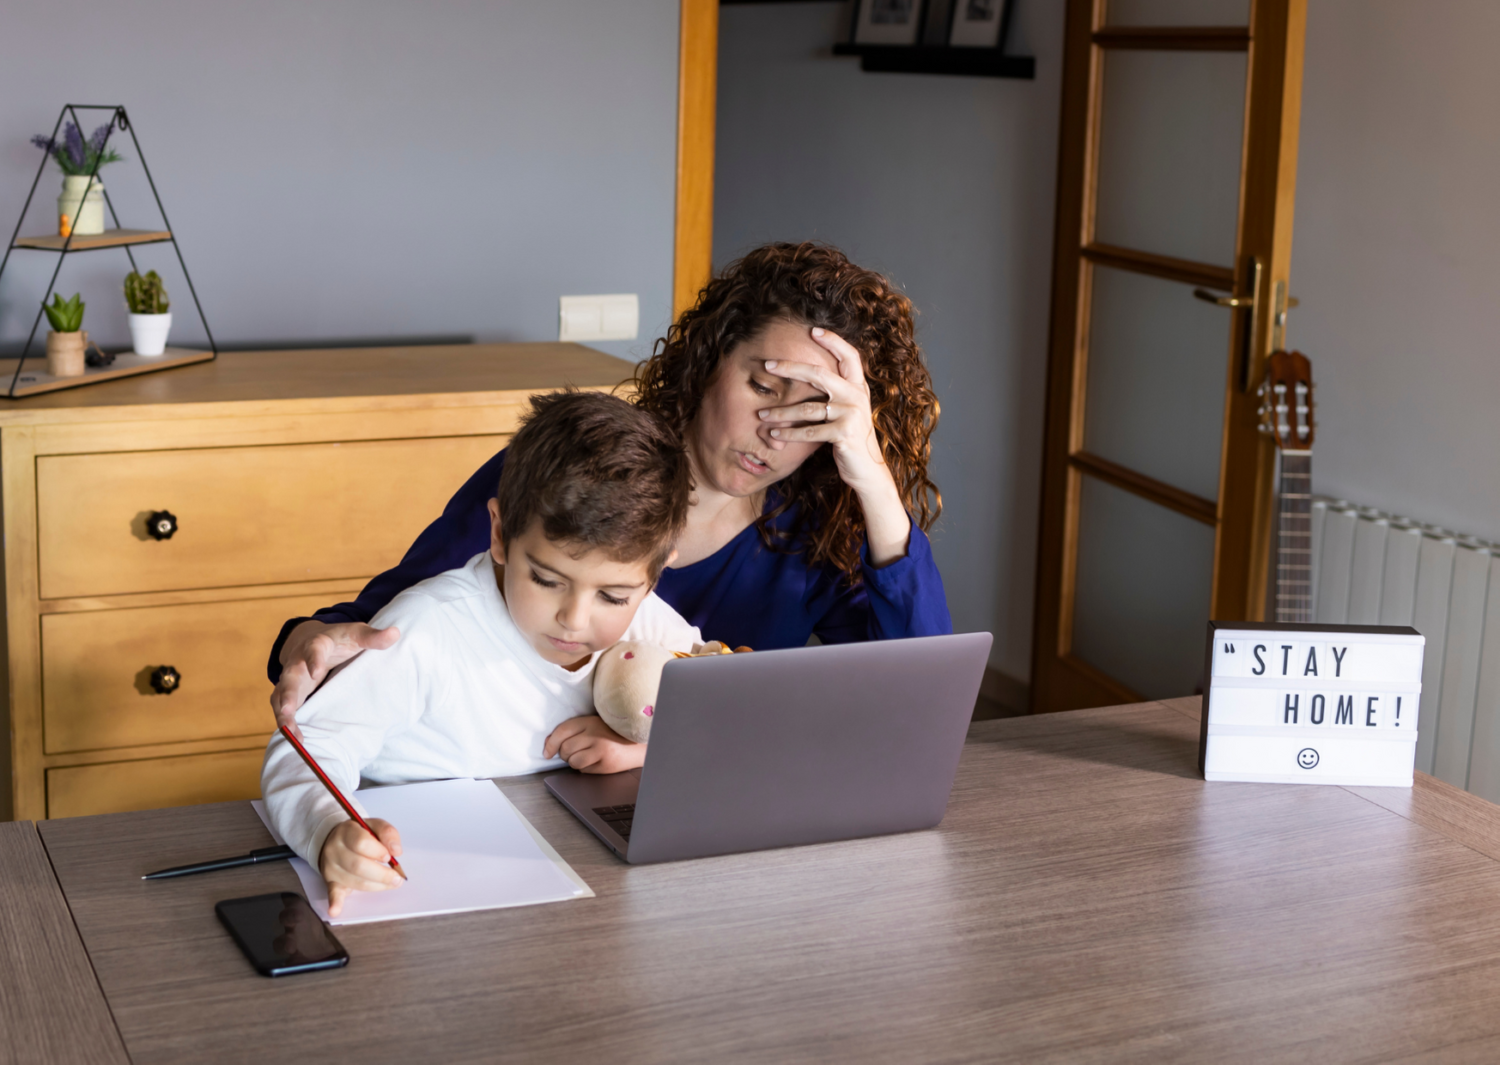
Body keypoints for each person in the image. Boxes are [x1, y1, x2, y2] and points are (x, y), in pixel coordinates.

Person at [269, 241, 951, 726]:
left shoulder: (815, 535)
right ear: (709, 361)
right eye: (763, 389)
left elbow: (920, 702)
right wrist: (309, 639)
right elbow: (386, 618)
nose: (776, 431)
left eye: (812, 414)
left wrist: (873, 482)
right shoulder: (573, 468)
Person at [261, 390, 703, 916]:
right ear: (499, 533)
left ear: (655, 573)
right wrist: (327, 831)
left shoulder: (649, 618)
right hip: (423, 886)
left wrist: (641, 748)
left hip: (561, 885)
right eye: (546, 580)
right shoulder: (430, 626)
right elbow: (306, 749)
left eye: (613, 597)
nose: (574, 618)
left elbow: (723, 695)